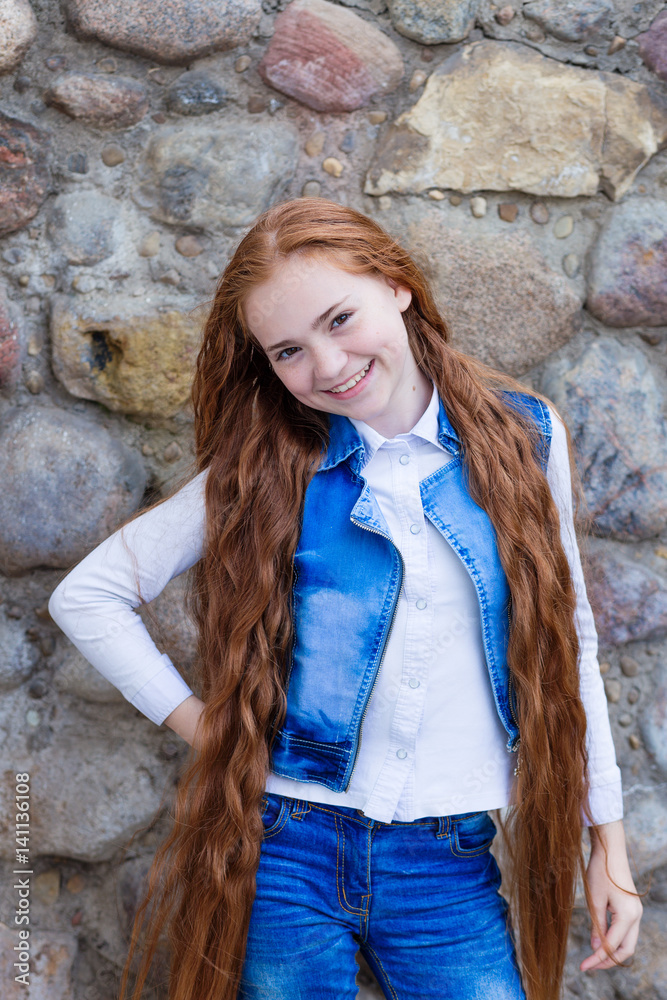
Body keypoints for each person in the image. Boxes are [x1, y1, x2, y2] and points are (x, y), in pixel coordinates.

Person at [48, 198, 642, 1000]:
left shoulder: (524, 438)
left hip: (446, 859)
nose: (326, 366)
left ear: (395, 284)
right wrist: (210, 729)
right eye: (290, 350)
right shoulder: (270, 464)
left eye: (339, 319)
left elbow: (569, 642)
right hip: (288, 850)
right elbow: (89, 596)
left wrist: (605, 846)